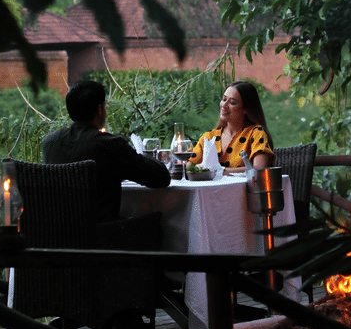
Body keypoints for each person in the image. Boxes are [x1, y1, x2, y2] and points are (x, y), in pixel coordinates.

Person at [42, 80, 171, 223]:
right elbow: (161, 178)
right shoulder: (109, 144)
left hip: (57, 236)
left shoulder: (49, 143)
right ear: (99, 109)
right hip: (102, 237)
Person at [188, 80, 275, 173]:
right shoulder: (209, 137)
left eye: (232, 102)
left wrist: (221, 171)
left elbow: (259, 169)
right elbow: (189, 166)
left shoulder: (256, 133)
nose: (224, 105)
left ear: (245, 109)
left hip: (245, 187)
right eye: (224, 99)